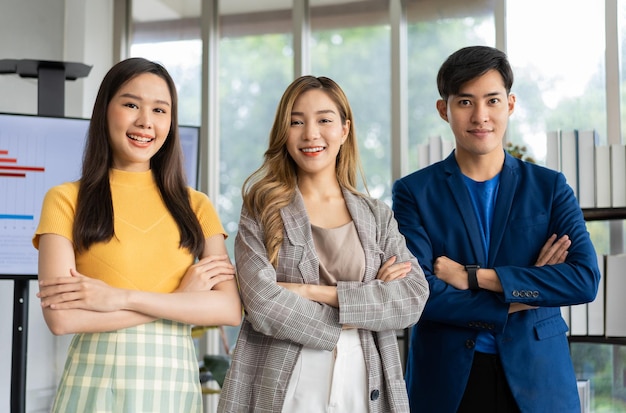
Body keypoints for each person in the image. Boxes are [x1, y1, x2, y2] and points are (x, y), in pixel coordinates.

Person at [392, 45, 601, 413]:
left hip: (538, 378)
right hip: (447, 381)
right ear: (444, 110)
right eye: (465, 102)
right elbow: (419, 294)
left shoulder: (549, 187)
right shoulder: (414, 192)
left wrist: (475, 277)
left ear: (511, 104)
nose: (480, 116)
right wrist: (528, 290)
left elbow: (583, 279)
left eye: (492, 100)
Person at [33, 57, 242, 413]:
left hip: (174, 388)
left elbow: (228, 308)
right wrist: (179, 301)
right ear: (105, 111)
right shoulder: (65, 199)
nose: (146, 121)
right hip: (95, 386)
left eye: (160, 110)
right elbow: (62, 319)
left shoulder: (197, 206)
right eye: (131, 104)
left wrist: (117, 297)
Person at [217, 75, 430, 413]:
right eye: (296, 122)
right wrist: (365, 302)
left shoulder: (376, 214)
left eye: (324, 120)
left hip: (364, 380)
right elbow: (262, 303)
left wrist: (313, 292)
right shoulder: (261, 206)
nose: (310, 134)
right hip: (284, 380)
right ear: (283, 133)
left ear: (344, 130)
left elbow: (411, 299)